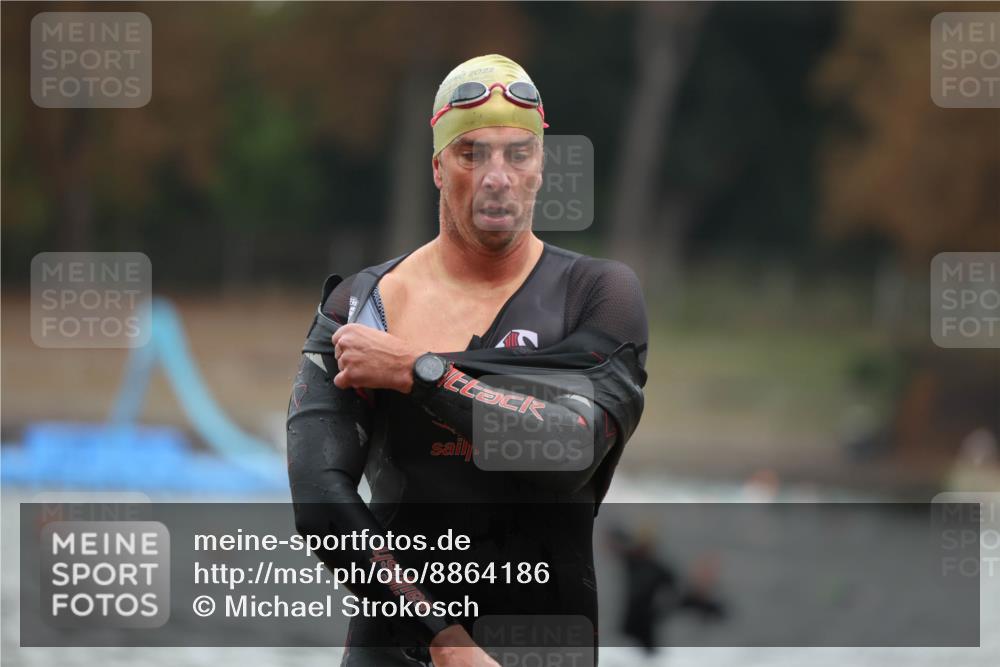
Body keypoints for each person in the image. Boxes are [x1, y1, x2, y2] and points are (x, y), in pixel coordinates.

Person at [287, 54, 648, 667]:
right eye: (471, 153)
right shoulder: (365, 306)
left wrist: (418, 374)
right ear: (437, 166)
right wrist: (444, 644)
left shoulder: (598, 295)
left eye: (517, 153)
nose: (497, 176)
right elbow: (320, 501)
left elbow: (569, 449)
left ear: (541, 168)